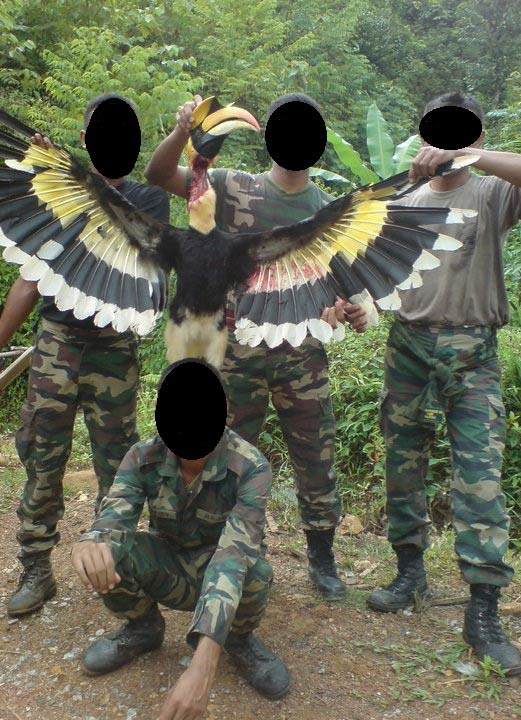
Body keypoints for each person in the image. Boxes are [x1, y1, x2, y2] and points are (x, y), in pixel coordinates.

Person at [145, 93, 370, 601]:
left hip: (302, 350)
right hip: (235, 351)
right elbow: (160, 176)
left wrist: (350, 311)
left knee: (316, 453)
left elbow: (345, 288)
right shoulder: (230, 187)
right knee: (222, 452)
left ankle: (322, 556)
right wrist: (182, 132)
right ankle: (227, 550)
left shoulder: (327, 210)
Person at [363, 91, 521, 676]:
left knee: (480, 474)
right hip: (407, 346)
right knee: (403, 462)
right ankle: (409, 571)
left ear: (479, 139)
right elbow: (372, 270)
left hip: (472, 351)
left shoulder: (492, 190)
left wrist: (471, 157)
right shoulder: (405, 200)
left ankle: (483, 609)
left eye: (462, 134)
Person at [4, 93, 170, 617]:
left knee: (116, 463)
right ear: (85, 139)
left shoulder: (148, 201)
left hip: (113, 348)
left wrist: (75, 187)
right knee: (42, 454)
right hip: (56, 342)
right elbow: (29, 280)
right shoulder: (57, 196)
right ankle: (36, 566)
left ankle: (114, 566)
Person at [72, 360, 290, 719]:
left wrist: (203, 666)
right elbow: (115, 518)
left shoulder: (251, 466)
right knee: (112, 554)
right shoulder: (143, 456)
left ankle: (237, 639)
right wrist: (92, 542)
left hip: (223, 576)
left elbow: (232, 557)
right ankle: (143, 629)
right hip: (169, 566)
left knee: (255, 571)